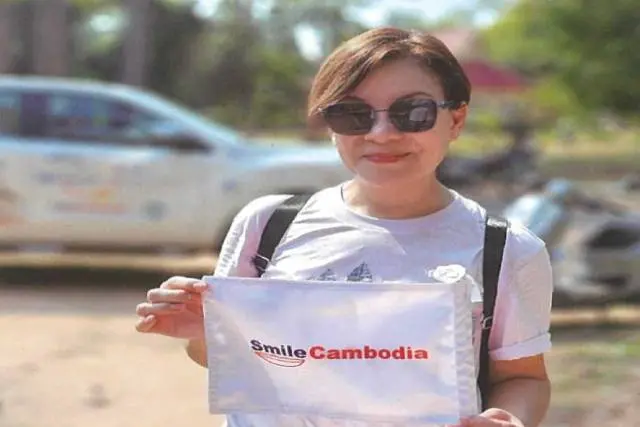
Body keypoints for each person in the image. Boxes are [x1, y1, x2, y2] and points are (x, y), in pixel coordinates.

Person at [135, 27, 553, 427]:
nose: (381, 133)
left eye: (413, 112)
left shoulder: (507, 250)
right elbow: (225, 358)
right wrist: (203, 331)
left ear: (456, 120)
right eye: (353, 114)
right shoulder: (267, 225)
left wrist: (510, 419)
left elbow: (523, 377)